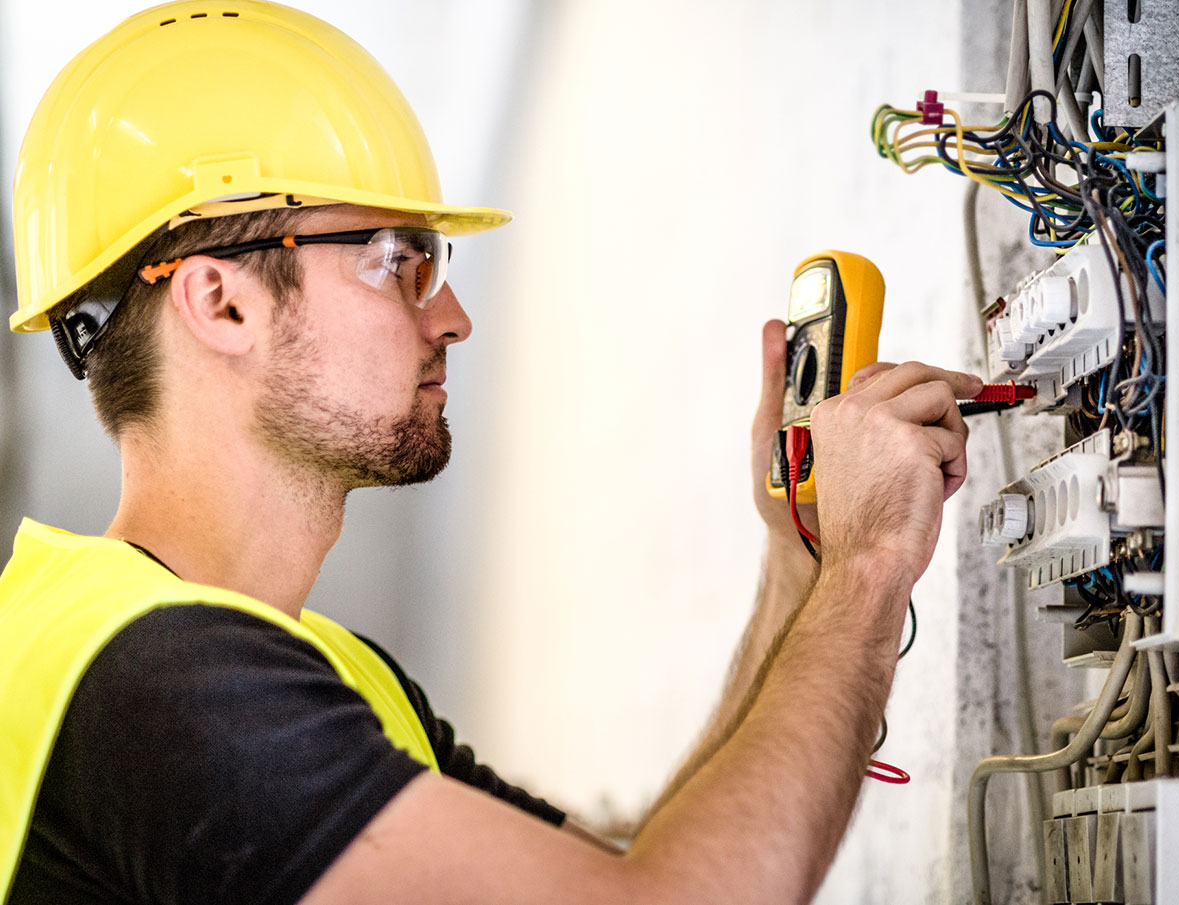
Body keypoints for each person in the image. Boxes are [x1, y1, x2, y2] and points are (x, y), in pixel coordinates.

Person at [0, 2, 981, 903]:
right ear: (223, 303)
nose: (454, 317)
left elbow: (633, 865)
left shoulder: (318, 672)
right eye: (398, 262)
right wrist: (869, 562)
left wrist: (799, 559)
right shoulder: (152, 681)